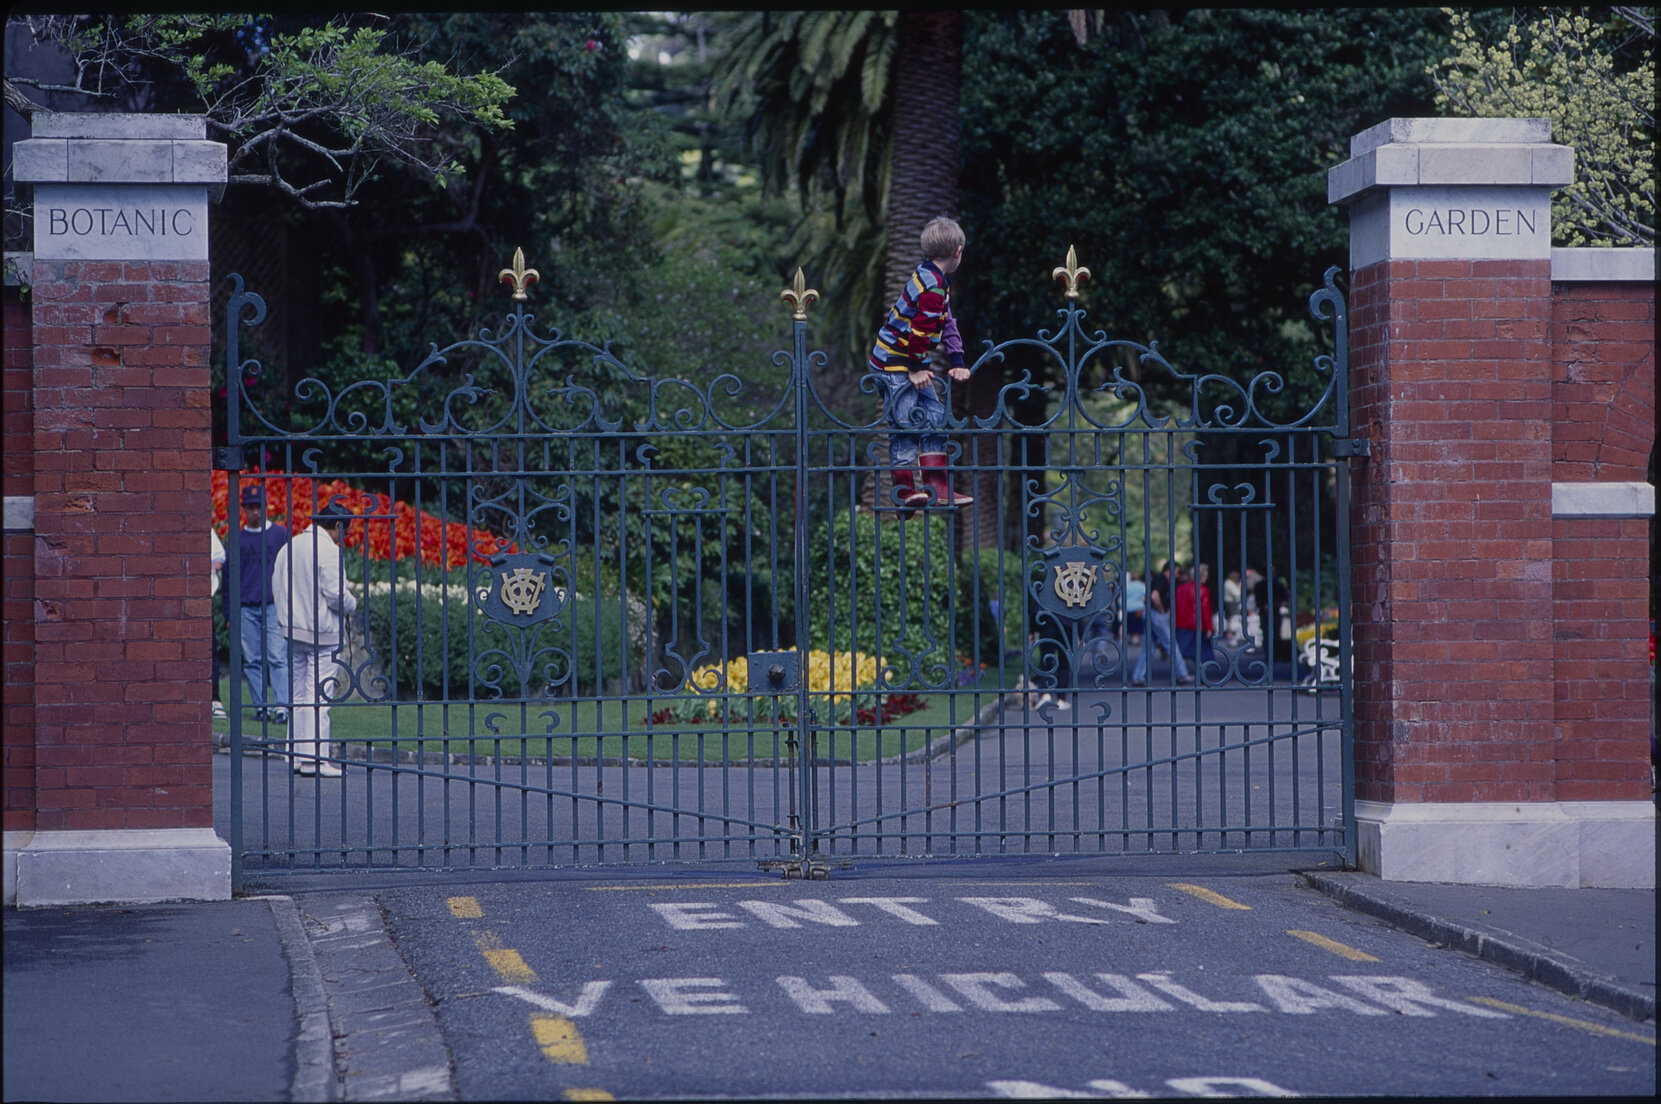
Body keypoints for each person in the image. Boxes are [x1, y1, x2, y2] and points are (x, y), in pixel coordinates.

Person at [868, 215, 973, 514]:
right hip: (892, 363)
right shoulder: (931, 287)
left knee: (935, 416)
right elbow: (920, 331)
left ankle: (937, 486)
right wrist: (914, 369)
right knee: (904, 422)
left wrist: (957, 359)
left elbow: (947, 322)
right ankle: (904, 491)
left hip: (911, 361)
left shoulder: (937, 281)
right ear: (957, 252)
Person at [272, 504, 359, 777]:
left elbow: (277, 583)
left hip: (293, 628)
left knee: (298, 694)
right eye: (345, 532)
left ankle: (297, 756)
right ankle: (315, 759)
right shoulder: (328, 550)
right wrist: (352, 603)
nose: (343, 538)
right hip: (322, 631)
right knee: (318, 695)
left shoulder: (291, 545)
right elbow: (336, 595)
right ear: (338, 526)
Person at [236, 483, 291, 722]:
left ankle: (281, 707)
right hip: (246, 606)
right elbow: (230, 578)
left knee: (277, 656)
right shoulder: (238, 538)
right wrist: (230, 612)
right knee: (252, 660)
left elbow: (290, 570)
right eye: (250, 507)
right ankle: (261, 706)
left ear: (265, 507)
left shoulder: (279, 535)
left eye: (258, 507)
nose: (255, 512)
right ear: (244, 509)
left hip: (274, 604)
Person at [1132, 560, 1191, 686]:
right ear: (1169, 570)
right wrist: (1162, 610)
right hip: (1156, 614)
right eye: (1177, 571)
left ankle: (1138, 677)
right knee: (1170, 644)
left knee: (1149, 648)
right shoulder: (1162, 579)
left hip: (1150, 613)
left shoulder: (1160, 579)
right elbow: (1154, 596)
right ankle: (1182, 674)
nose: (1178, 575)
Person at [1174, 562, 1217, 673]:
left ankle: (1180, 673)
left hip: (1181, 624)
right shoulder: (1203, 590)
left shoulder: (1180, 588)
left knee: (1183, 651)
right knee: (1200, 652)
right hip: (1198, 625)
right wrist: (1209, 627)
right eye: (1206, 575)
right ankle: (1200, 674)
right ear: (1201, 576)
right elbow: (1205, 610)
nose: (1206, 578)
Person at [210, 527, 228, 719]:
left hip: (204, 597)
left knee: (210, 650)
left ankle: (213, 698)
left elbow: (219, 557)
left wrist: (211, 570)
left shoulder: (206, 531)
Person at [1123, 570, 1146, 647]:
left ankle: (1131, 637)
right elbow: (1145, 595)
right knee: (1138, 625)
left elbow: (1123, 597)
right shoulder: (1141, 585)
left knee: (1130, 624)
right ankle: (1136, 639)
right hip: (1138, 608)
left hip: (1129, 608)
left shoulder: (1127, 586)